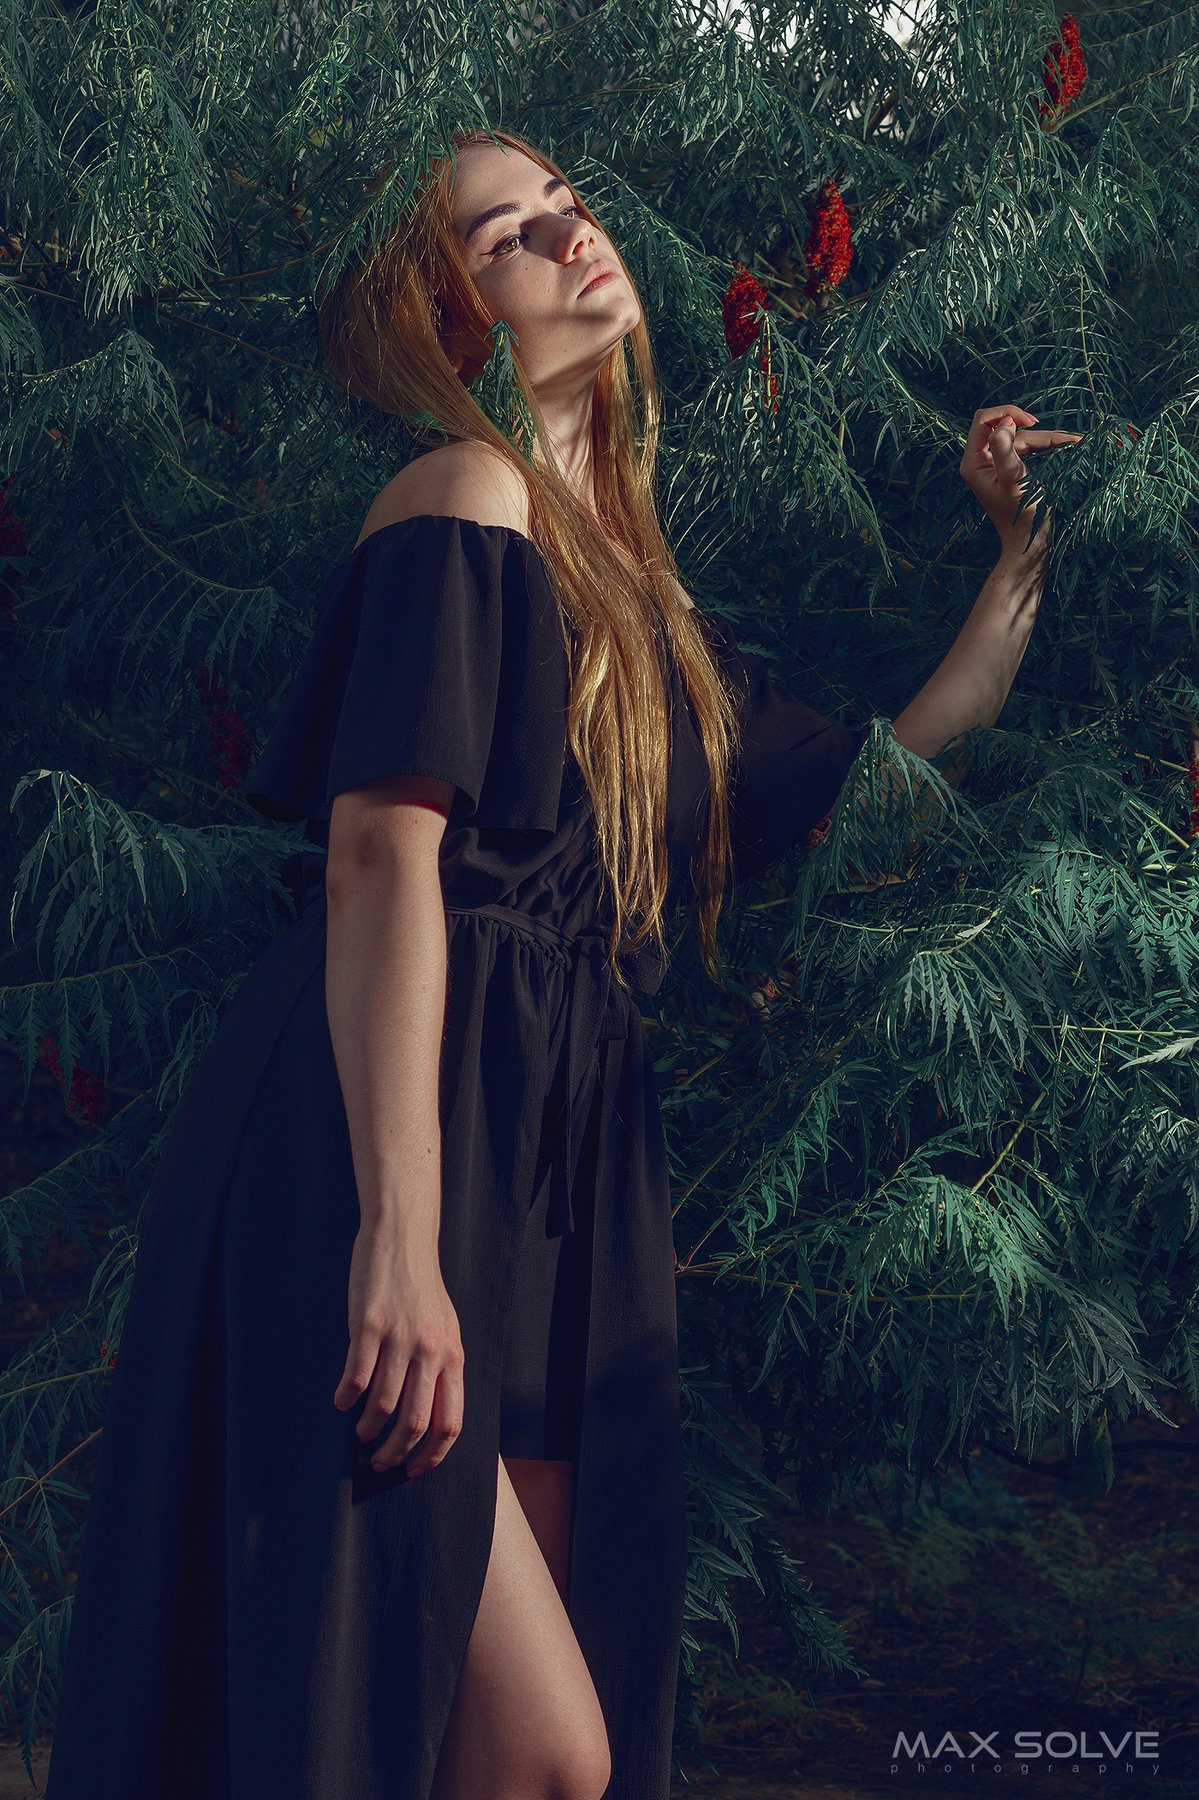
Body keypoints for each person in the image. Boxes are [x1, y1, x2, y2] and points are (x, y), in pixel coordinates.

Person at [44, 126, 1082, 1800]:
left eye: (568, 207)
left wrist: (1018, 549)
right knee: (541, 1750)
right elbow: (381, 857)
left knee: (476, 1753)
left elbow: (894, 767)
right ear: (453, 316)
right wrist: (396, 1237)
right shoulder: (465, 502)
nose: (564, 235)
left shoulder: (654, 619)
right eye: (504, 233)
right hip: (400, 1131)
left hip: (559, 1172)